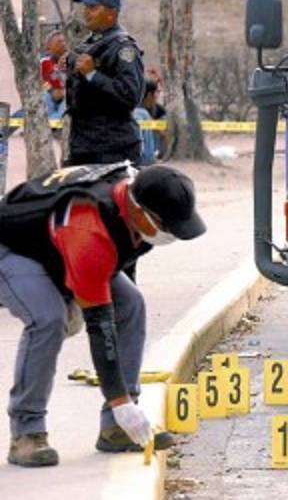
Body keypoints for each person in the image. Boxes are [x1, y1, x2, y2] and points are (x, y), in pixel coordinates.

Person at [0, 162, 206, 467]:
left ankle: (116, 428)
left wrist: (123, 403)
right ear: (139, 211)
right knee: (49, 319)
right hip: (13, 248)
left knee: (131, 304)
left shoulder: (138, 191)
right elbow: (100, 326)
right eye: (166, 226)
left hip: (58, 245)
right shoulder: (89, 228)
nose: (171, 235)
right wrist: (120, 401)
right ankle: (26, 432)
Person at [64, 0, 146, 166]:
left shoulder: (123, 48)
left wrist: (93, 75)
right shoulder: (88, 44)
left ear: (112, 13)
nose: (86, 12)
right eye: (86, 7)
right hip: (83, 145)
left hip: (114, 149)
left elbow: (131, 96)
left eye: (93, 7)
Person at [133, 77, 166, 166]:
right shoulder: (139, 111)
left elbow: (164, 130)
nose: (158, 96)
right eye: (156, 92)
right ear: (149, 95)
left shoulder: (158, 109)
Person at [40, 31, 68, 123]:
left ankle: (54, 122)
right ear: (49, 46)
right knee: (45, 97)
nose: (63, 44)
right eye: (59, 42)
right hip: (50, 95)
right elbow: (42, 81)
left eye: (64, 41)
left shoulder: (70, 60)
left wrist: (63, 91)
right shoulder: (44, 62)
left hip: (65, 95)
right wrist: (51, 90)